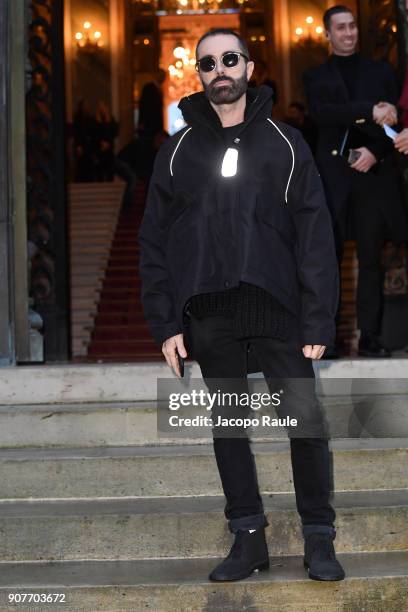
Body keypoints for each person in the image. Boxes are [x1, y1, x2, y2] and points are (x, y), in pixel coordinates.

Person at [139, 28, 344, 583]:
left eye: (230, 59)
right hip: (209, 311)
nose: (219, 70)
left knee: (305, 420)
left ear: (249, 67)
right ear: (198, 74)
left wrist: (318, 314)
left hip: (276, 305)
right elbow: (154, 240)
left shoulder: (285, 141)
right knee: (228, 424)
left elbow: (314, 233)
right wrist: (165, 322)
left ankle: (319, 537)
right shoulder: (177, 150)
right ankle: (248, 536)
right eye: (208, 64)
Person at [303, 5, 408, 357]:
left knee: (371, 260)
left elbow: (392, 120)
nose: (348, 33)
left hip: (372, 177)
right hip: (333, 180)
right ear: (328, 34)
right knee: (327, 261)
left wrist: (375, 152)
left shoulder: (380, 71)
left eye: (352, 27)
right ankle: (326, 339)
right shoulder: (315, 76)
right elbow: (322, 114)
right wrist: (368, 110)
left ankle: (371, 338)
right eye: (341, 28)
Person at [138, 68, 166, 138]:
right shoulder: (148, 88)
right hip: (148, 125)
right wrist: (141, 123)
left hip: (156, 125)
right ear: (157, 76)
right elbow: (143, 105)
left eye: (164, 76)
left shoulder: (159, 89)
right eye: (162, 76)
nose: (164, 78)